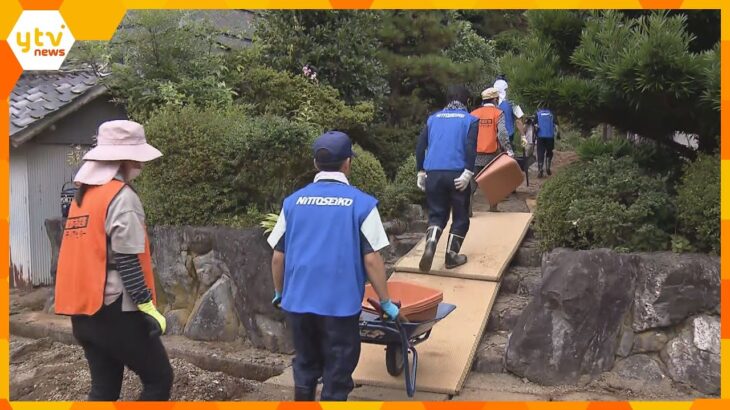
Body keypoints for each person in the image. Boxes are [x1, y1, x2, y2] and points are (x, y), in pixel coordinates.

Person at [267, 130, 398, 401]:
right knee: (337, 374)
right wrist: (385, 302)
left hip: (299, 302)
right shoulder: (361, 204)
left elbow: (278, 256)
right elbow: (371, 258)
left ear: (316, 163)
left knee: (304, 368)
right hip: (339, 307)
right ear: (348, 163)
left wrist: (280, 292)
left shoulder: (293, 203)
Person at [55, 120, 173, 401]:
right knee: (159, 379)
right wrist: (147, 307)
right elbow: (127, 260)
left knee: (103, 390)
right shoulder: (122, 197)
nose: (140, 165)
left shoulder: (84, 198)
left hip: (83, 312)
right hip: (116, 311)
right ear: (125, 158)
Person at [415, 85, 479, 272]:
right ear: (467, 101)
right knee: (460, 216)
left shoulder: (432, 119)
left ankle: (431, 243)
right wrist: (468, 172)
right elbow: (470, 148)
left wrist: (420, 171)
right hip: (457, 173)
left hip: (433, 173)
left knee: (436, 214)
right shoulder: (470, 120)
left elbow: (420, 147)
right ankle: (451, 256)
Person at [470, 87, 514, 212]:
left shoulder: (473, 114)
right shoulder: (498, 113)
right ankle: (493, 207)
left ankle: (468, 208)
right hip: (492, 153)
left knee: (472, 182)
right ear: (495, 99)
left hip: (475, 153)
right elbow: (502, 134)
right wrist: (509, 149)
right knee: (493, 180)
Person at [493, 76, 526, 153]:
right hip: (508, 136)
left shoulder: (491, 103)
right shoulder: (511, 102)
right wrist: (523, 136)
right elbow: (518, 120)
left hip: (494, 137)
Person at [535, 106, 560, 177]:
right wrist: (558, 134)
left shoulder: (538, 113)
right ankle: (548, 167)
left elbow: (535, 125)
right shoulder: (552, 113)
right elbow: (556, 125)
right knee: (549, 151)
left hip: (540, 136)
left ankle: (540, 169)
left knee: (540, 152)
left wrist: (535, 134)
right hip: (550, 136)